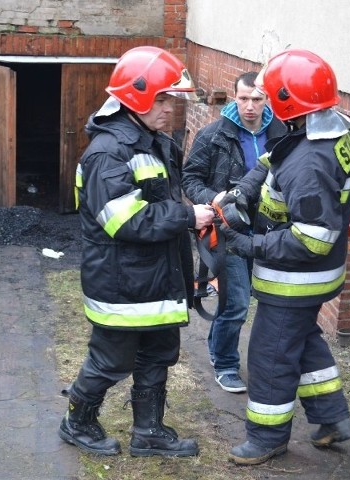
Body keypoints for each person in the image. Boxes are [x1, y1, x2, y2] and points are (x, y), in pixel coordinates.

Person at [58, 46, 215, 457]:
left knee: (159, 353)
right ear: (137, 96)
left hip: (156, 278)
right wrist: (186, 216)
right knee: (110, 362)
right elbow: (124, 222)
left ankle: (149, 432)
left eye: (172, 99)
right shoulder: (108, 153)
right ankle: (77, 421)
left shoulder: (153, 141)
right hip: (122, 282)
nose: (170, 109)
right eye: (163, 99)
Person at [218, 49, 350, 465]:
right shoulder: (329, 125)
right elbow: (276, 157)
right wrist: (244, 188)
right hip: (321, 273)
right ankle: (333, 419)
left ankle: (266, 437)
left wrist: (249, 245)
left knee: (271, 355)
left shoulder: (309, 164)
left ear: (284, 102)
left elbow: (310, 239)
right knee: (302, 340)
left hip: (296, 275)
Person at [182, 72, 286, 394]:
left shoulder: (282, 135)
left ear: (266, 100)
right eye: (243, 99)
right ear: (233, 97)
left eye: (257, 99)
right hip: (224, 230)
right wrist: (211, 199)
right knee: (237, 302)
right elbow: (190, 179)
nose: (250, 106)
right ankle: (225, 363)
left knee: (260, 301)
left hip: (268, 230)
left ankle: (217, 347)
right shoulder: (213, 135)